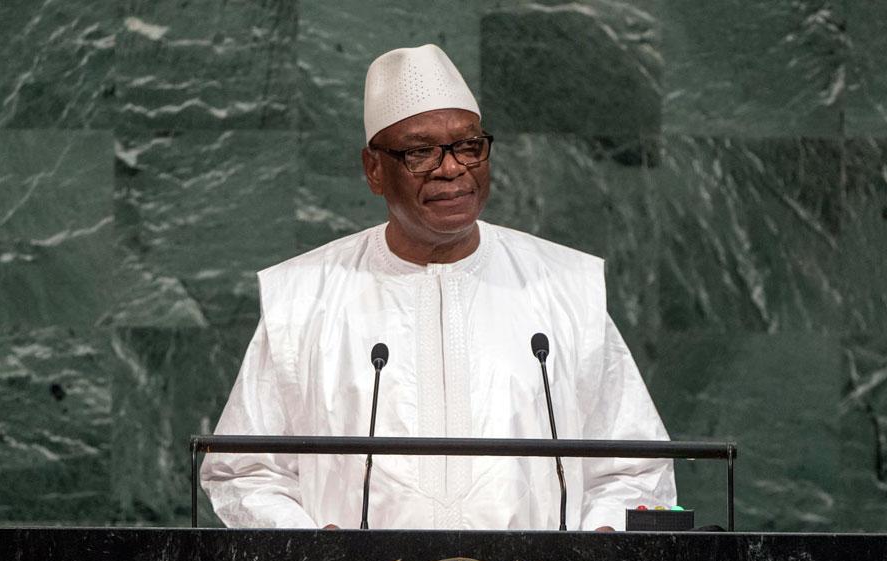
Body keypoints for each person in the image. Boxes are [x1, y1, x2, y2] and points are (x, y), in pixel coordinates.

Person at [200, 44, 675, 531]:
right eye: (420, 152)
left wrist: (598, 543)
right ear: (374, 169)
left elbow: (635, 467)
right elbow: (244, 471)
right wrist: (314, 551)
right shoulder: (305, 298)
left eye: (469, 146)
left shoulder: (563, 286)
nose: (452, 168)